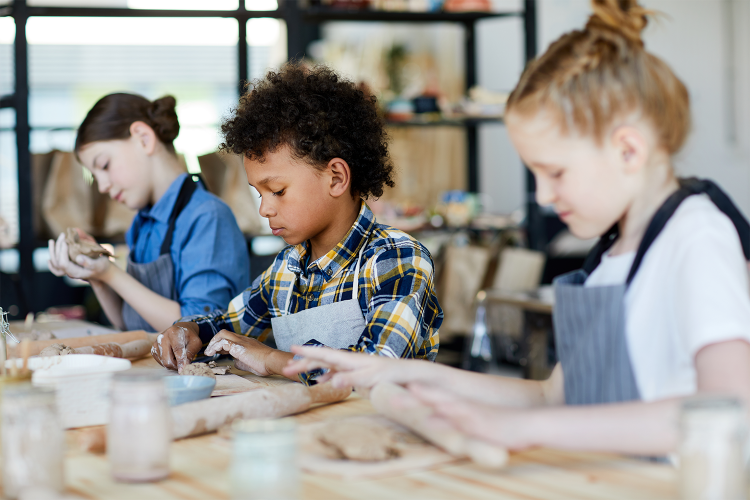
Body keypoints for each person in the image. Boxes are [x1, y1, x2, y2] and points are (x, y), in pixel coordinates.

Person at [284, 0, 750, 456]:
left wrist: (524, 428)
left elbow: (732, 409)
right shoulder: (612, 255)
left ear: (628, 150)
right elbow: (553, 397)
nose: (543, 197)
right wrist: (393, 373)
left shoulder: (697, 237)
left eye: (557, 173)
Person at [150, 64, 443, 379]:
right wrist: (189, 329)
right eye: (259, 194)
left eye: (277, 191)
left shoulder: (395, 260)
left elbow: (375, 367)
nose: (264, 209)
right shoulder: (287, 268)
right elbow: (228, 324)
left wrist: (272, 359)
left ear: (336, 178)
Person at [48, 93, 250, 333]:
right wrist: (96, 274)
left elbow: (197, 328)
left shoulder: (208, 217)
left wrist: (110, 273)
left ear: (143, 139)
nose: (102, 186)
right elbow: (128, 322)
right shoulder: (141, 225)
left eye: (104, 165)